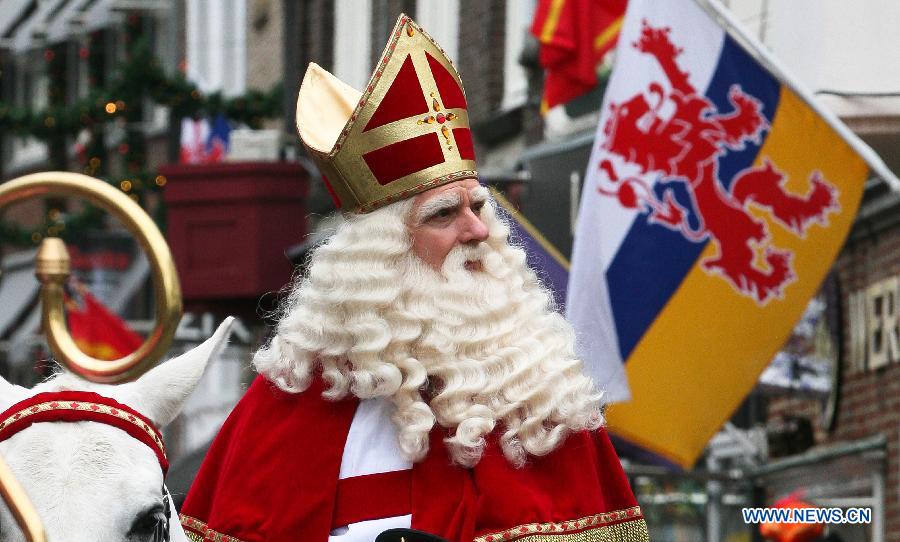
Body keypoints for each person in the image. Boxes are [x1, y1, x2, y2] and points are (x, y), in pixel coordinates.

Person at [179, 14, 648, 542]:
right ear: (376, 258)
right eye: (444, 214)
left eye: (480, 207)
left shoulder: (541, 398)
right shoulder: (284, 404)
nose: (478, 231)